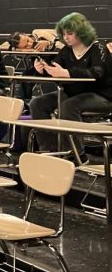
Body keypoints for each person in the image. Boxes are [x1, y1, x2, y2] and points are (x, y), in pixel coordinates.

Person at [30, 12, 112, 163]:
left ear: (82, 32)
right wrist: (42, 69)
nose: (66, 37)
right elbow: (56, 69)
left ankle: (78, 155)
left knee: (68, 106)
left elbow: (97, 72)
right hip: (73, 94)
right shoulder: (67, 50)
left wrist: (67, 73)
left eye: (70, 33)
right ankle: (50, 148)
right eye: (64, 34)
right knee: (37, 103)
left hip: (101, 96)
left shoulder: (98, 48)